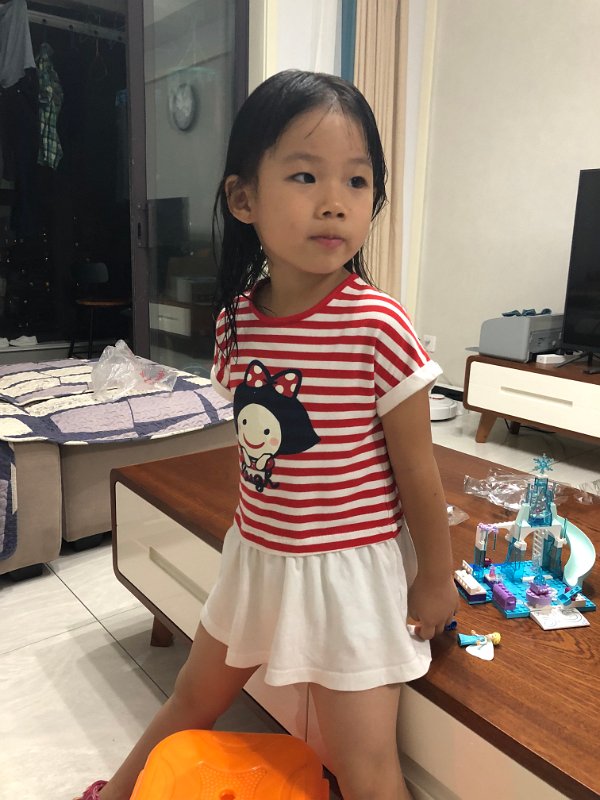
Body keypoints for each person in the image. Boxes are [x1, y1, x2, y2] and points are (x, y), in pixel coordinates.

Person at [76, 69, 458, 800]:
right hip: (257, 559)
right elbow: (260, 455)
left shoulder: (377, 326)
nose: (334, 201)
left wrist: (435, 579)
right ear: (243, 198)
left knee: (364, 765)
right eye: (306, 175)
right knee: (192, 699)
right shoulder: (236, 322)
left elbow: (419, 470)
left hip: (349, 576)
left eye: (357, 181)